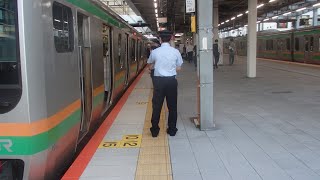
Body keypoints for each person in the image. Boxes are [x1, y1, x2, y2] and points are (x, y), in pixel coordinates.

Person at [147, 30, 183, 137]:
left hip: (158, 82)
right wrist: (170, 69)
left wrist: (155, 67)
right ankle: (172, 130)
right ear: (171, 38)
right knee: (172, 106)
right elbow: (179, 67)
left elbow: (150, 64)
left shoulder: (155, 52)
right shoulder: (175, 52)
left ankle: (154, 131)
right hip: (171, 81)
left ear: (160, 39)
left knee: (157, 106)